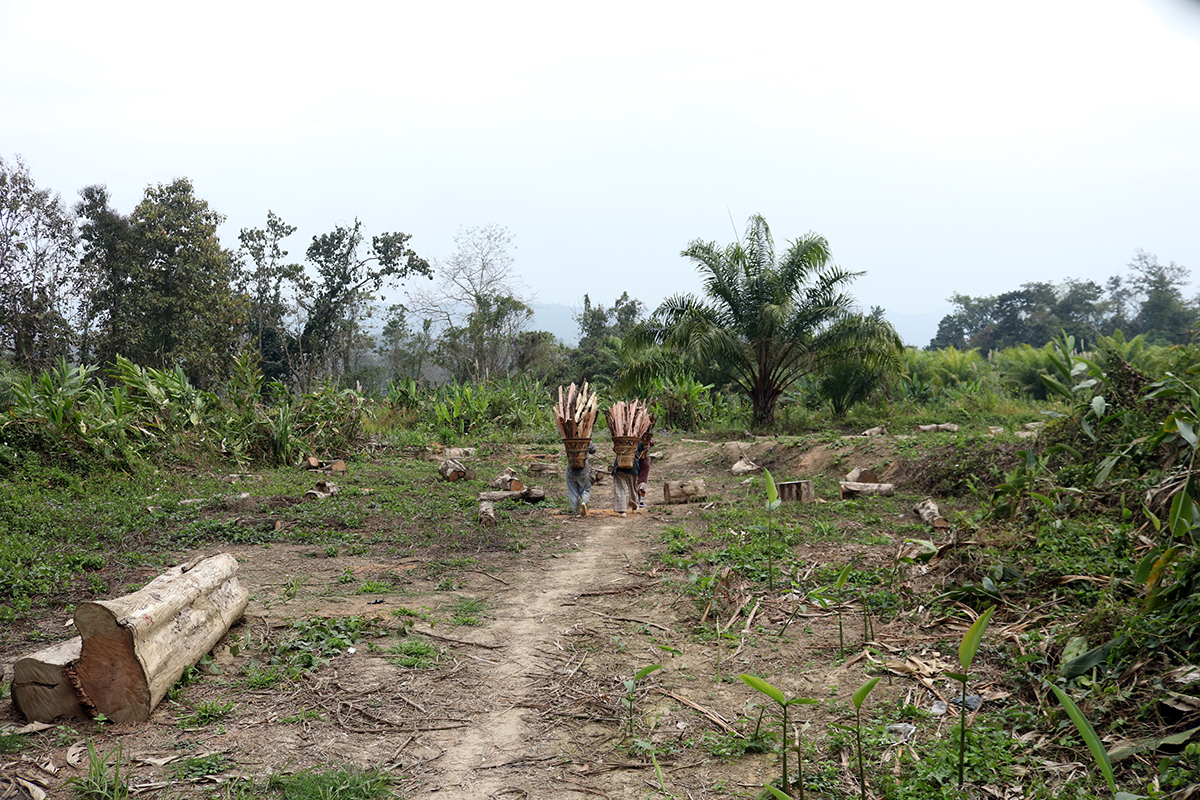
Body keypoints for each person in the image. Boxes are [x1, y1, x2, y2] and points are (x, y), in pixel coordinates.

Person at [612, 439, 646, 516]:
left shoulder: (619, 440)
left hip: (619, 466)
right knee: (633, 487)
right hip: (633, 467)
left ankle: (622, 511)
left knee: (619, 488)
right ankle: (634, 505)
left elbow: (615, 449)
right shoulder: (637, 441)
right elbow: (641, 452)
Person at [566, 442, 596, 516]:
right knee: (585, 489)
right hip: (583, 470)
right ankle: (584, 502)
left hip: (570, 470)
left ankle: (575, 512)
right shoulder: (586, 440)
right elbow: (593, 450)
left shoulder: (568, 440)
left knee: (572, 492)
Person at [636, 431, 653, 508]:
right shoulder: (646, 437)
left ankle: (637, 499)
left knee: (637, 478)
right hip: (644, 460)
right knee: (643, 479)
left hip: (634, 460)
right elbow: (652, 443)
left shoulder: (632, 435)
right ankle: (642, 501)